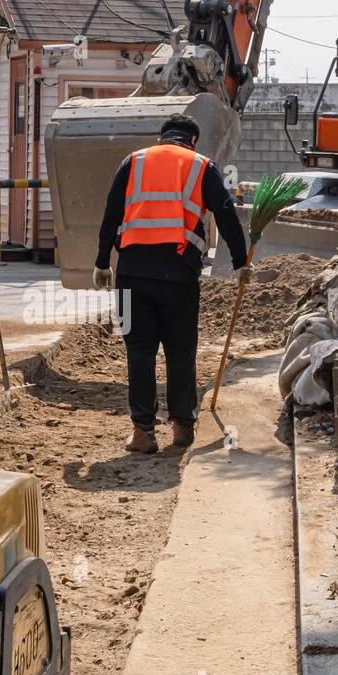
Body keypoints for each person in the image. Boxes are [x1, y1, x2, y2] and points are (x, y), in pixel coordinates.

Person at [93, 113, 251, 454]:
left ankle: (143, 433)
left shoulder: (133, 162)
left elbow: (110, 213)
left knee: (139, 351)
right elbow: (226, 213)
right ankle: (182, 428)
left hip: (132, 275)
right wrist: (240, 262)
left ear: (162, 137)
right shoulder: (201, 165)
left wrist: (102, 261)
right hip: (179, 276)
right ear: (192, 140)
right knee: (180, 351)